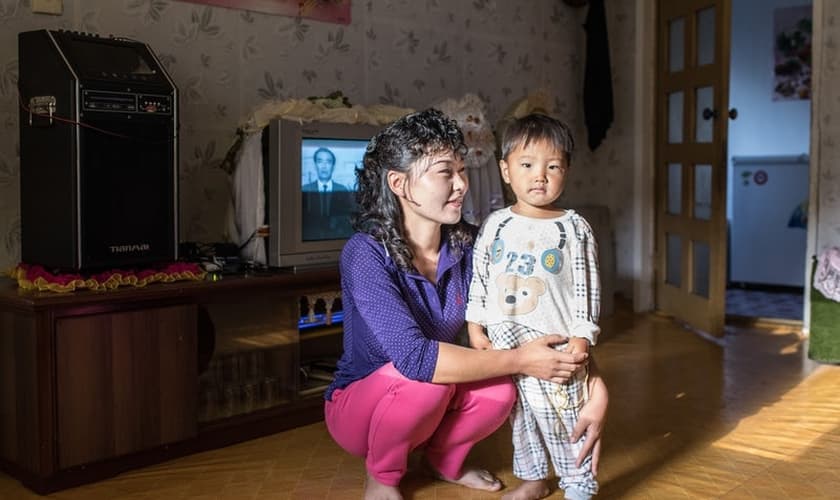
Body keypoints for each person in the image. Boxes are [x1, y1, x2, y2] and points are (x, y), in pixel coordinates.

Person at [323, 108, 607, 500]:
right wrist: (522, 359)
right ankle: (383, 476)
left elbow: (541, 312)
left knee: (500, 391)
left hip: (431, 389)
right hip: (359, 408)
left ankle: (444, 461)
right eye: (445, 172)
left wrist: (592, 379)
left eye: (462, 170)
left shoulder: (474, 243)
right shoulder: (365, 254)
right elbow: (416, 359)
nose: (461, 185)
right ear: (399, 183)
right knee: (427, 383)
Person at [466, 113, 601, 500]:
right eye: (527, 165)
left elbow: (588, 287)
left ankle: (579, 484)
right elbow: (481, 277)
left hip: (556, 345)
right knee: (520, 417)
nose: (539, 176)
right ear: (505, 171)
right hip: (506, 343)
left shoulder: (573, 228)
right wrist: (476, 325)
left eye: (552, 166)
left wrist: (582, 335)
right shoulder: (495, 225)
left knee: (562, 417)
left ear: (566, 172)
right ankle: (533, 479)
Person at [302, 147, 353, 240]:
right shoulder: (305, 189)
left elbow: (347, 220)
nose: (324, 166)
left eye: (328, 162)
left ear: (333, 166)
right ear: (315, 165)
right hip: (312, 239)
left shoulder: (342, 189)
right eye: (320, 161)